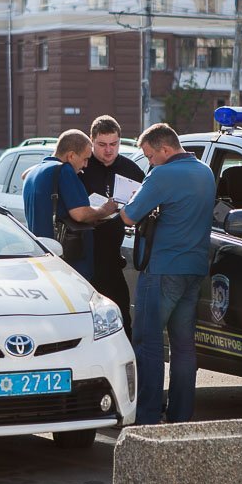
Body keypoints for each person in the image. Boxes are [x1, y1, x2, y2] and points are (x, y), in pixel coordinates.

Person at [120, 123, 215, 426]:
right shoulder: (205, 172)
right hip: (194, 269)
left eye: (149, 156)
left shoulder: (162, 175)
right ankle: (180, 415)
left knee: (148, 342)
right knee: (183, 347)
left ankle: (147, 416)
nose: (149, 162)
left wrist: (137, 195)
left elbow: (128, 215)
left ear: (165, 148)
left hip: (162, 270)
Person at [79, 115, 145, 336]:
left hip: (113, 256)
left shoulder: (131, 170)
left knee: (121, 315)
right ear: (91, 141)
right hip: (82, 254)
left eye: (114, 144)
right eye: (102, 145)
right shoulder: (81, 166)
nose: (109, 150)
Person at [23, 129, 118, 280]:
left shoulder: (33, 173)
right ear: (71, 155)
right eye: (85, 159)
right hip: (68, 264)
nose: (86, 165)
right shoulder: (64, 170)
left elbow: (25, 175)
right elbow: (80, 214)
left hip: (43, 257)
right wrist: (105, 209)